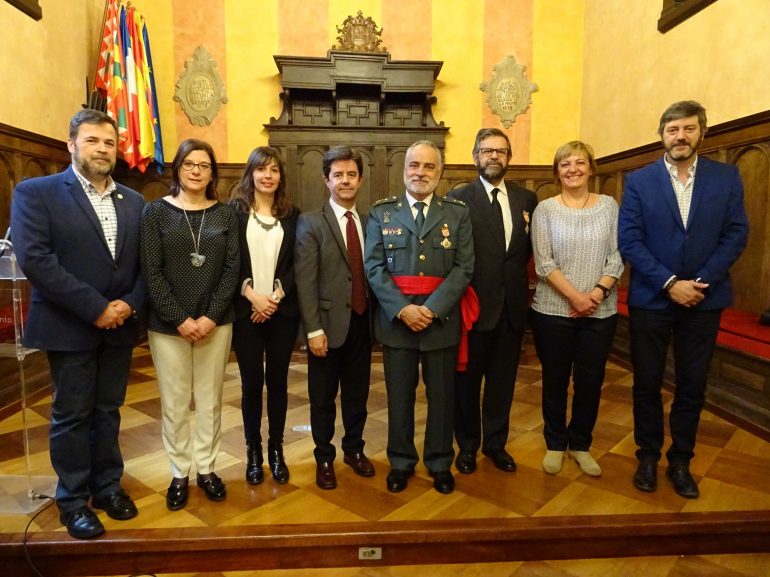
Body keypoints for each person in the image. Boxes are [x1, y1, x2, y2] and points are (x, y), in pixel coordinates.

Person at [11, 109, 144, 539]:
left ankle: (107, 487)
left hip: (120, 326)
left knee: (108, 411)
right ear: (71, 144)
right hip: (69, 325)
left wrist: (126, 305)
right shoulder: (37, 192)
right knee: (71, 415)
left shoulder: (134, 200)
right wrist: (96, 308)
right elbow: (37, 260)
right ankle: (71, 500)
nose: (102, 149)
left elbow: (147, 265)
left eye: (109, 142)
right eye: (92, 141)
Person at [618, 100, 748, 498]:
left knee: (693, 384)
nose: (680, 136)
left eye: (688, 129)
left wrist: (700, 281)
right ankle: (647, 455)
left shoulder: (726, 178)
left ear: (701, 133)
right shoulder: (640, 181)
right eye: (673, 129)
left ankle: (681, 460)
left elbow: (736, 234)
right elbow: (630, 240)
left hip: (704, 301)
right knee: (647, 383)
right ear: (662, 135)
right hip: (652, 300)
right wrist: (671, 282)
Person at [365, 140, 473, 495]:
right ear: (404, 169)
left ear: (439, 172)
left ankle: (440, 461)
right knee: (399, 397)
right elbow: (374, 267)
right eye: (414, 165)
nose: (420, 173)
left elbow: (463, 267)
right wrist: (403, 309)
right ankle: (401, 461)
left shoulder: (456, 213)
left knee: (442, 397)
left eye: (429, 167)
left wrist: (431, 309)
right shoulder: (382, 213)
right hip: (398, 323)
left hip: (440, 322)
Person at [140, 139, 239, 510]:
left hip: (217, 323)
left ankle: (207, 469)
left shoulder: (225, 215)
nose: (196, 171)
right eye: (189, 164)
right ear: (177, 168)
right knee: (176, 401)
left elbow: (232, 270)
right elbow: (151, 273)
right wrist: (180, 319)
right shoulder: (155, 213)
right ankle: (179, 471)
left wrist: (210, 316)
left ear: (213, 173)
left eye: (204, 165)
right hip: (168, 327)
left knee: (211, 400)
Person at [448, 128, 537, 475]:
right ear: (475, 157)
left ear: (509, 157)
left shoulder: (527, 199)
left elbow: (525, 252)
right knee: (467, 384)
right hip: (473, 308)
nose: (494, 157)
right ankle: (467, 445)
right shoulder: (459, 199)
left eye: (500, 151)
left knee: (503, 382)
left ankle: (496, 444)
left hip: (512, 309)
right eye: (487, 151)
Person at [531, 141, 623, 477]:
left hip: (600, 312)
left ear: (590, 168)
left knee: (590, 381)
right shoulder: (545, 210)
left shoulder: (609, 207)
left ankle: (581, 443)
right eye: (565, 164)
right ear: (557, 172)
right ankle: (555, 443)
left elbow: (617, 255)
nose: (572, 169)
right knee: (555, 380)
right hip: (553, 310)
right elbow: (543, 261)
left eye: (579, 162)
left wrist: (595, 294)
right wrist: (575, 297)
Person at [295, 145, 375, 490]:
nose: (345, 180)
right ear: (326, 180)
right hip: (326, 327)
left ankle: (354, 450)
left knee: (358, 395)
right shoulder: (311, 222)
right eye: (338, 175)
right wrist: (313, 329)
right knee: (323, 398)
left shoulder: (371, 221)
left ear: (360, 178)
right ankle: (324, 456)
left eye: (351, 174)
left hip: (363, 323)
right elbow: (305, 280)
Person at [230, 146, 300, 486]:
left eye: (274, 170)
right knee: (251, 384)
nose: (268, 175)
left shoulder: (292, 214)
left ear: (280, 177)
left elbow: (296, 265)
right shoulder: (234, 212)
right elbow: (229, 261)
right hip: (245, 312)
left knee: (278, 382)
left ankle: (277, 450)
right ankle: (253, 452)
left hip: (281, 311)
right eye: (261, 169)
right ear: (251, 174)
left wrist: (272, 298)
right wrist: (251, 295)